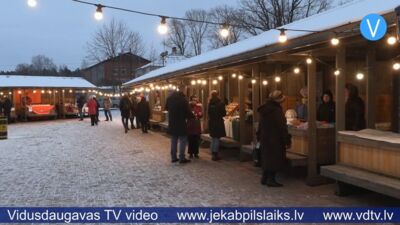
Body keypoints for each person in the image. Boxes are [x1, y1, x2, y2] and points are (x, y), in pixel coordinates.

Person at [257, 90, 291, 187]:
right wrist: (287, 139)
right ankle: (271, 180)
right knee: (274, 158)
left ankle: (264, 177)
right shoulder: (276, 110)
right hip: (275, 138)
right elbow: (282, 126)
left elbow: (260, 124)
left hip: (265, 138)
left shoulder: (265, 109)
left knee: (267, 157)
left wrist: (259, 136)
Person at [165, 85, 193, 164]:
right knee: (183, 140)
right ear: (183, 90)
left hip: (172, 122)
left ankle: (173, 157)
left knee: (174, 140)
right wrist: (193, 116)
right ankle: (182, 157)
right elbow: (188, 112)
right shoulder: (183, 100)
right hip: (181, 123)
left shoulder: (169, 98)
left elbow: (166, 108)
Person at [207, 90, 226, 161]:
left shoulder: (210, 103)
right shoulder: (220, 103)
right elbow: (224, 113)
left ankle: (212, 152)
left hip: (211, 122)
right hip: (218, 122)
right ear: (218, 95)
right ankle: (215, 154)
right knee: (217, 138)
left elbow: (208, 113)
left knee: (213, 137)